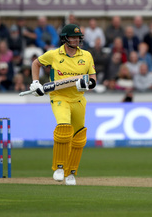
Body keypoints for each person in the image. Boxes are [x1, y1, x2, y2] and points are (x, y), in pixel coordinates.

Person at [29, 24, 96, 185]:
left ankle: (71, 173)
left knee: (79, 137)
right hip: (59, 97)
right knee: (64, 127)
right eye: (73, 37)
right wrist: (36, 83)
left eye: (78, 37)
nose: (76, 40)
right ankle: (59, 167)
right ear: (65, 38)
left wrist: (87, 84)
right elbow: (35, 64)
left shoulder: (86, 55)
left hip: (78, 99)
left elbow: (93, 80)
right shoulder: (53, 54)